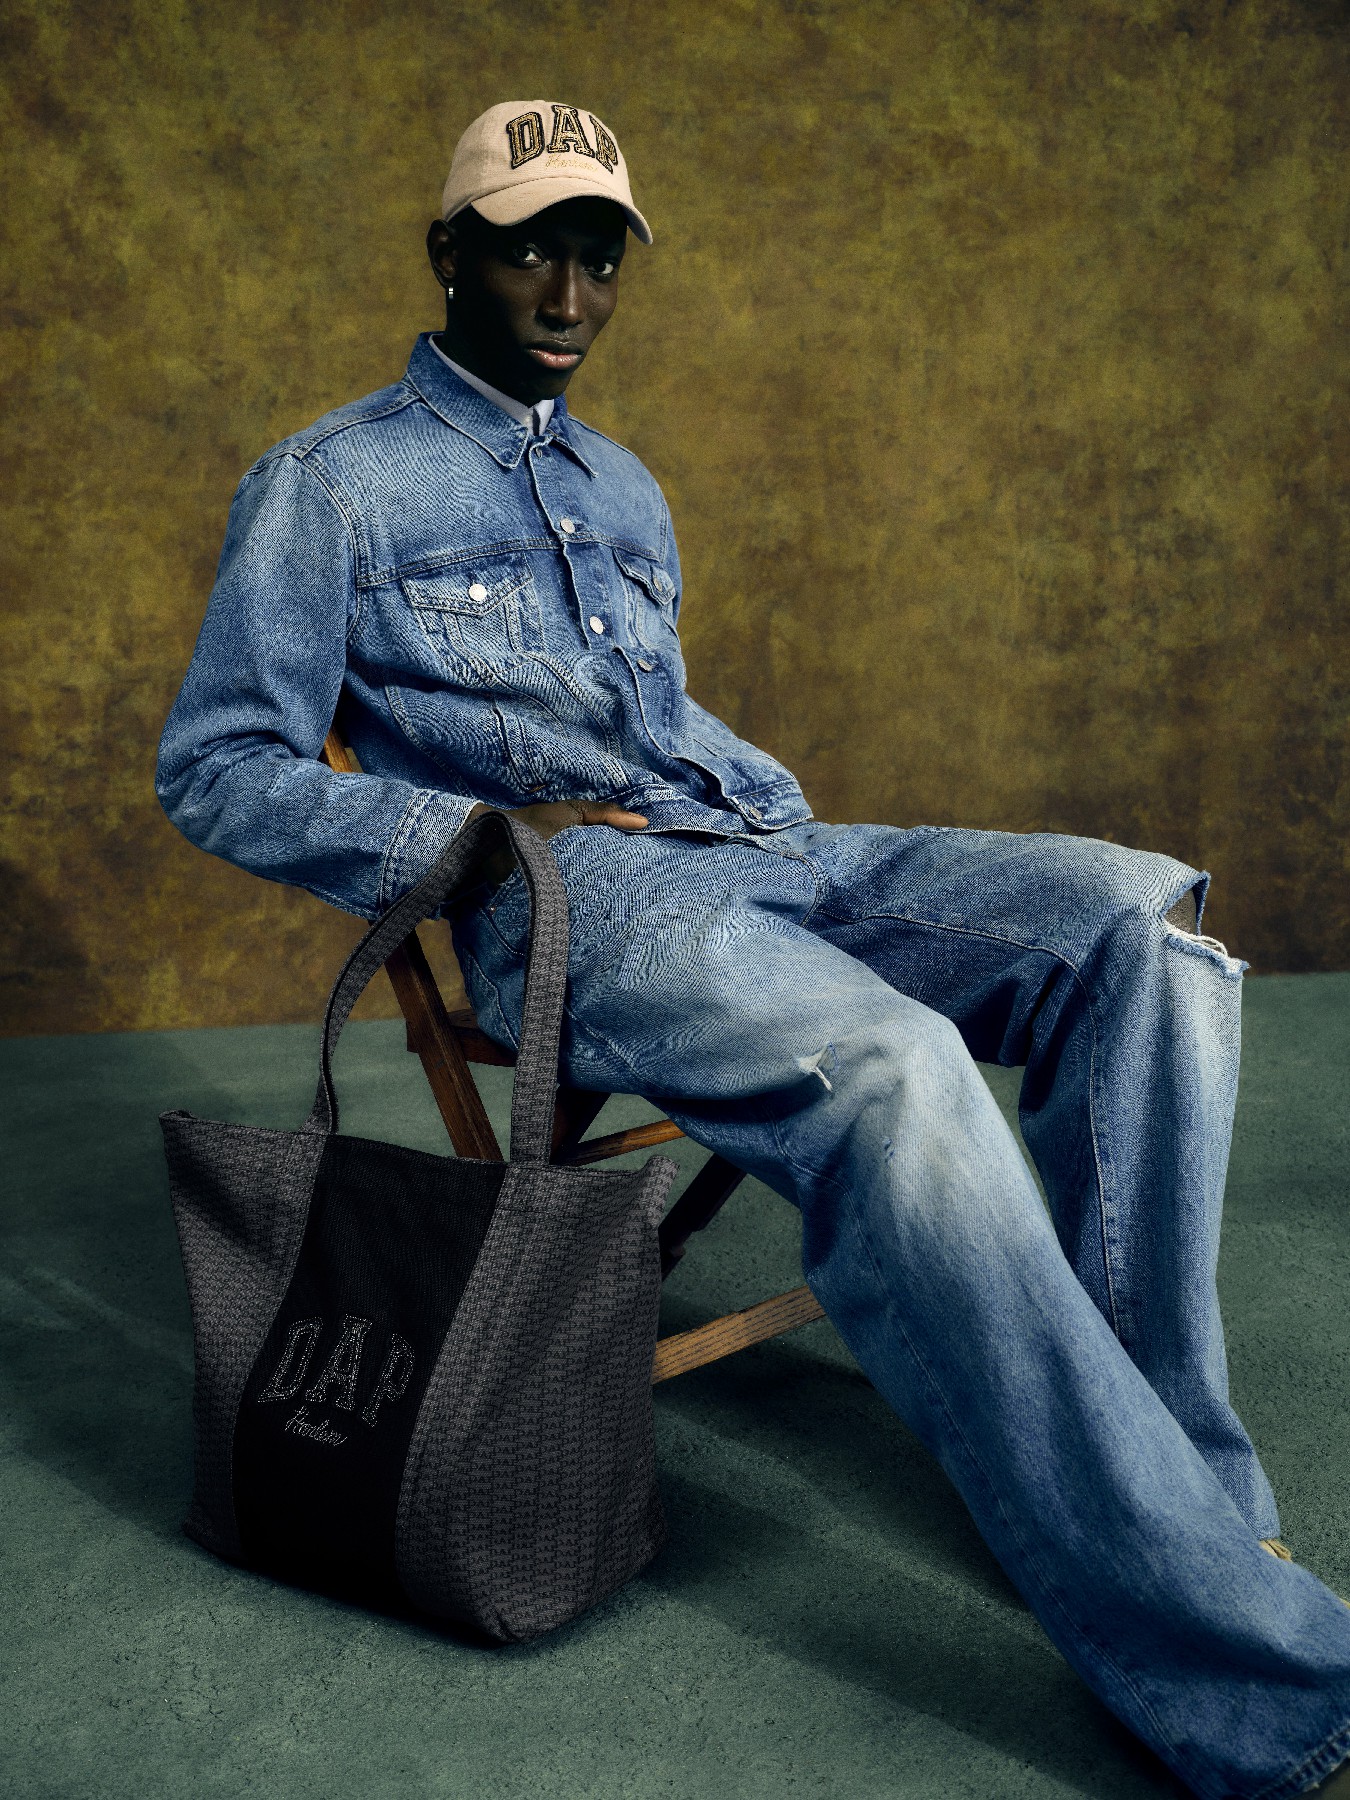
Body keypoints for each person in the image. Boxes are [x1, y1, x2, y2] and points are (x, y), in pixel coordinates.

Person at [156, 100, 1350, 1797]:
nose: (568, 292)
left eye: (599, 257)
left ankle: (1185, 1503)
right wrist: (477, 833)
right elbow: (215, 767)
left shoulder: (621, 487)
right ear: (448, 254)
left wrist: (756, 812)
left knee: (1143, 921)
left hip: (764, 849)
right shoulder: (326, 483)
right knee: (895, 1067)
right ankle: (1256, 1683)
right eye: (530, 248)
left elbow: (649, 717)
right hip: (583, 905)